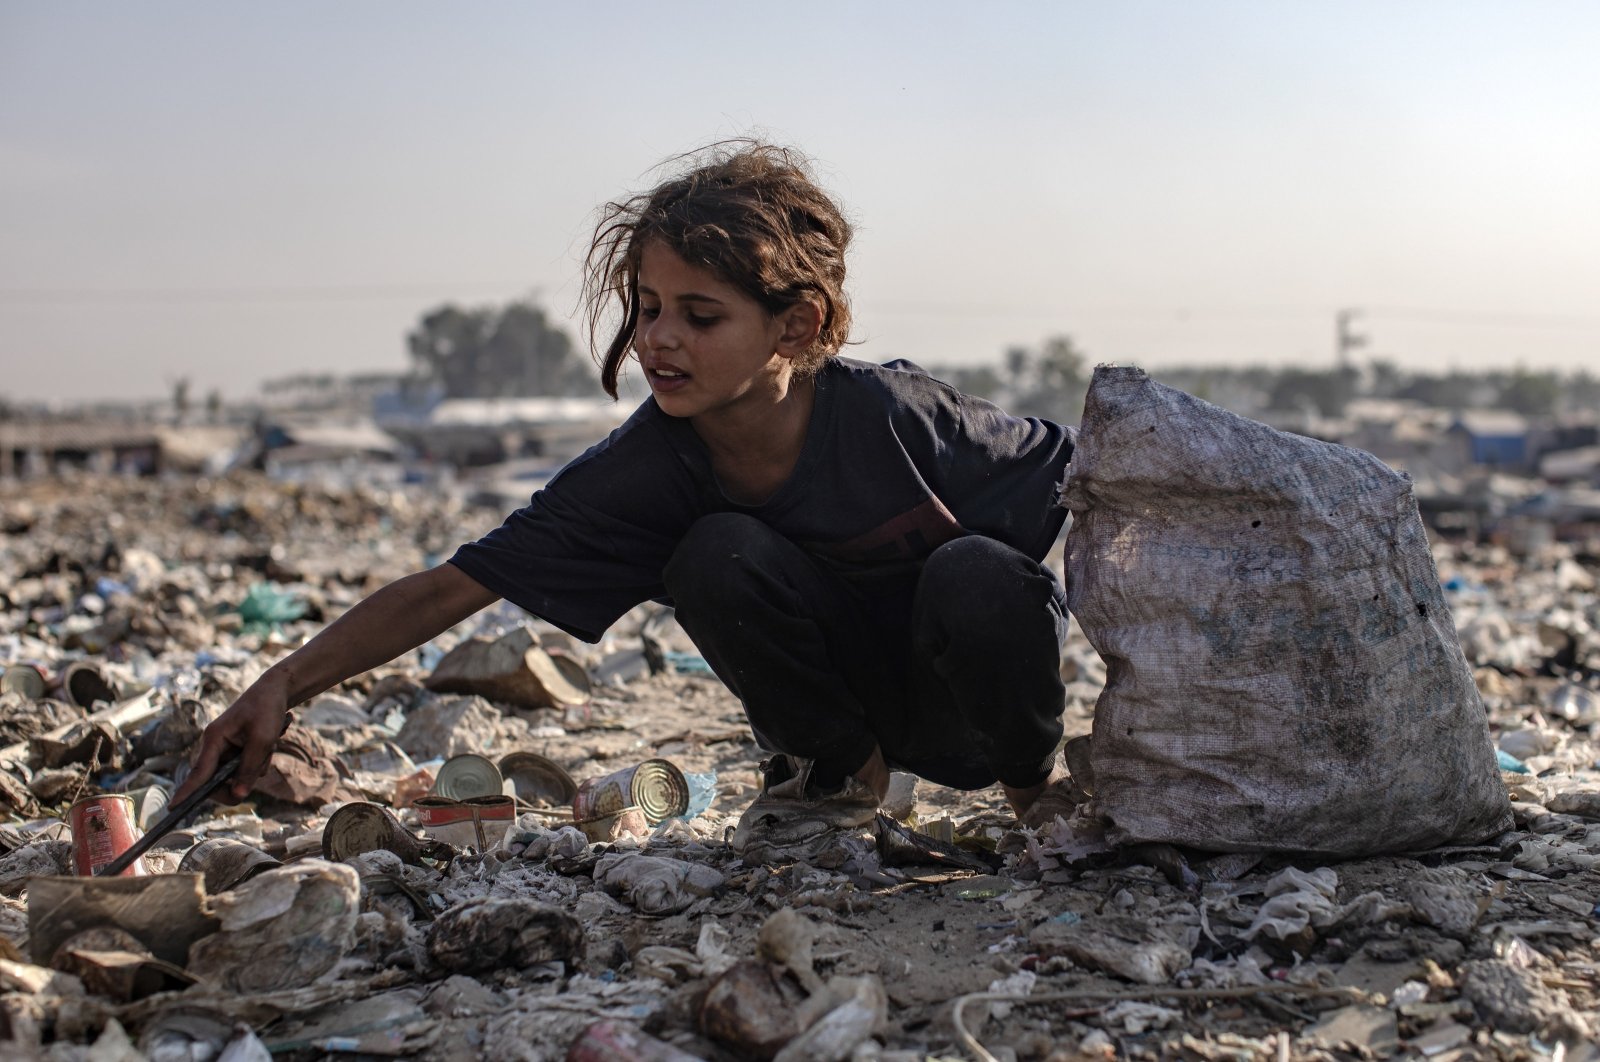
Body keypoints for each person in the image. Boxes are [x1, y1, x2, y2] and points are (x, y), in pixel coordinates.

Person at [174, 141, 1078, 859]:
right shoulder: (647, 466)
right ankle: (841, 782)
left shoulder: (896, 416)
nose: (658, 340)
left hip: (974, 717)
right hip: (844, 712)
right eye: (647, 308)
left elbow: (1096, 486)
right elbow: (453, 587)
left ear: (795, 326)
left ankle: (1040, 803)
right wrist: (280, 685)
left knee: (980, 573)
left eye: (700, 314)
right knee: (714, 552)